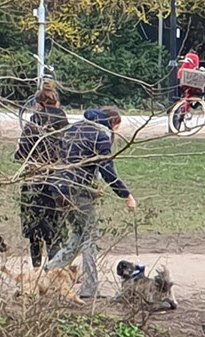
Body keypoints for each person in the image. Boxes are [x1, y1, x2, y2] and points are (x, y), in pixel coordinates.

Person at [45, 106, 137, 299]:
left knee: (78, 234)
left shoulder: (73, 128)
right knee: (90, 238)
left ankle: (47, 272)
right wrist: (126, 195)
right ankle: (90, 287)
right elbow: (107, 170)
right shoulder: (100, 135)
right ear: (112, 123)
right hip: (79, 191)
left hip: (58, 188)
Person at [13, 84, 69, 268]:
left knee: (35, 230)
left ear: (39, 105)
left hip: (34, 182)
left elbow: (22, 155)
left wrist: (18, 151)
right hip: (58, 182)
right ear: (57, 103)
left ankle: (36, 270)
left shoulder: (32, 126)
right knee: (56, 230)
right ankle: (55, 271)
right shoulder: (66, 128)